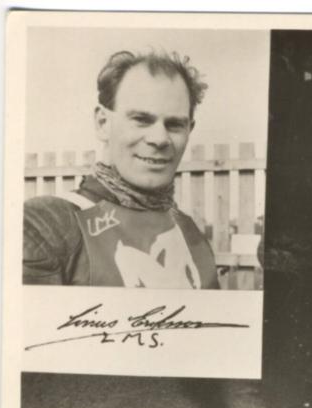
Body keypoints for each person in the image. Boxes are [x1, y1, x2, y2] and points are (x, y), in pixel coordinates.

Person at [23, 50, 219, 289]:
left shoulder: (191, 234)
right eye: (141, 119)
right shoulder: (48, 224)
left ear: (190, 130)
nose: (159, 138)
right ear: (103, 123)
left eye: (175, 124)